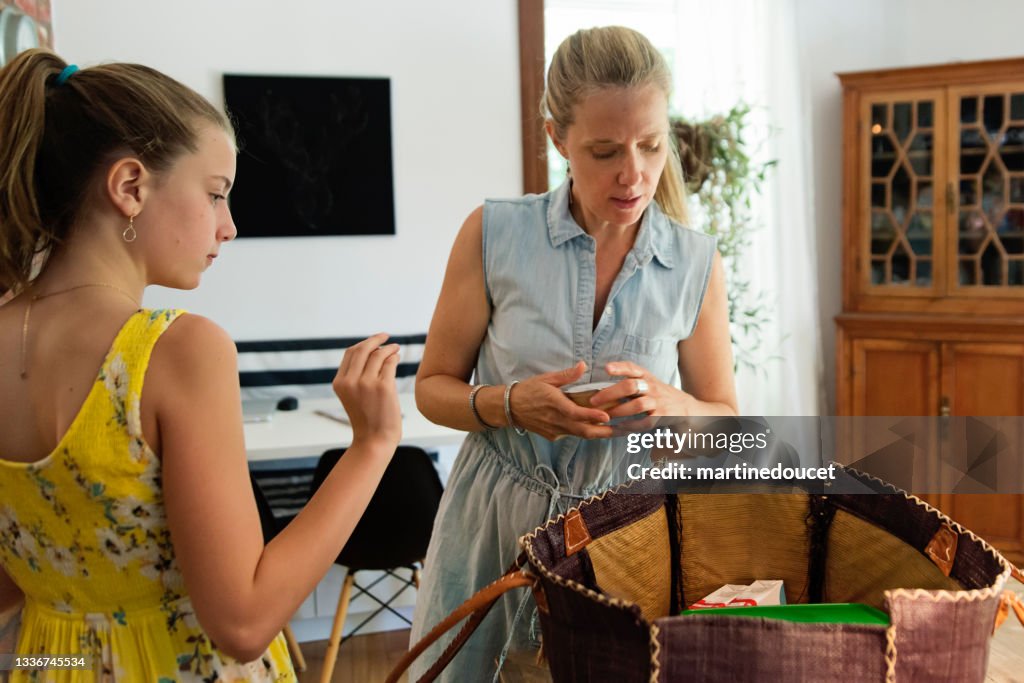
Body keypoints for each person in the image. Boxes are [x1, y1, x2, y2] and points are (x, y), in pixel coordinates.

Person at [0, 49, 402, 681]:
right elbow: (242, 623)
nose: (230, 226)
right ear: (131, 186)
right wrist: (373, 445)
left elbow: (11, 583)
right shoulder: (176, 349)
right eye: (216, 195)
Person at [408, 26, 739, 680]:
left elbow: (726, 419)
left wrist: (674, 405)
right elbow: (431, 388)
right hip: (489, 527)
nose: (634, 173)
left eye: (650, 145)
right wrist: (507, 404)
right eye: (605, 149)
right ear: (558, 138)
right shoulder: (493, 234)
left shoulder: (696, 262)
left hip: (630, 532)